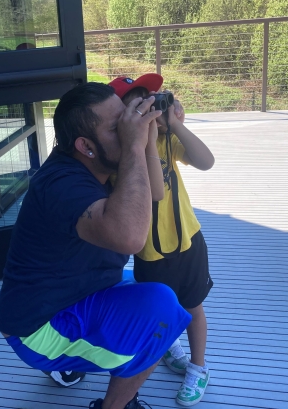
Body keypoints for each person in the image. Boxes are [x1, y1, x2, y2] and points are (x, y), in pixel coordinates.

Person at [0, 82, 192, 409]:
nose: (133, 129)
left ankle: (100, 377)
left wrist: (152, 124)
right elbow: (130, 236)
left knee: (155, 293)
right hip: (37, 327)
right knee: (161, 312)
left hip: (80, 291)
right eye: (119, 128)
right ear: (86, 146)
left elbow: (154, 192)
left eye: (129, 117)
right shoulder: (62, 184)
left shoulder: (99, 162)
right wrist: (133, 146)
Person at [109, 74, 215, 406]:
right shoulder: (122, 155)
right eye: (137, 104)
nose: (149, 109)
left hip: (188, 240)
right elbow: (155, 192)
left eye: (151, 99)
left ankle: (198, 367)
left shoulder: (165, 141)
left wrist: (175, 124)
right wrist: (146, 136)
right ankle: (171, 347)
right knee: (160, 311)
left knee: (193, 307)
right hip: (151, 251)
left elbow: (206, 162)